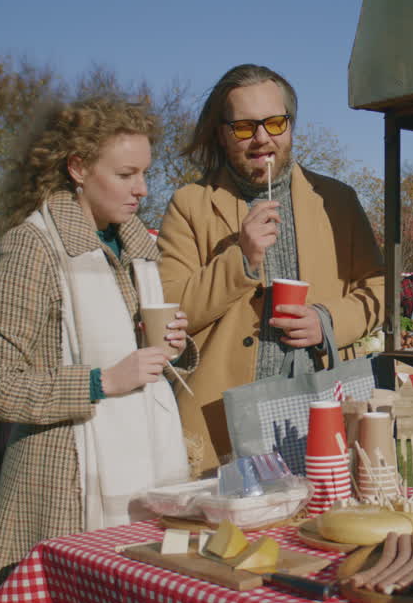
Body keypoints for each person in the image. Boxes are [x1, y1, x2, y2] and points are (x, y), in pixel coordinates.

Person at [0, 94, 196, 603]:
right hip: (69, 487)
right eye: (126, 174)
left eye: (145, 171)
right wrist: (101, 382)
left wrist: (175, 346)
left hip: (149, 477)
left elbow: (144, 359)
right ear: (76, 167)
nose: (143, 187)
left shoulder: (136, 246)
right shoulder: (32, 247)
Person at [158, 64, 385, 464]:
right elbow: (170, 312)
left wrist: (327, 320)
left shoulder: (338, 200)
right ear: (222, 132)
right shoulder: (189, 204)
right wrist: (240, 259)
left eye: (275, 123)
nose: (262, 138)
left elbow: (379, 290)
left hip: (321, 411)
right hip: (223, 424)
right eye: (244, 127)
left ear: (291, 126)